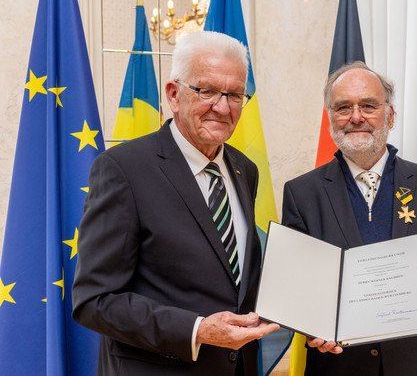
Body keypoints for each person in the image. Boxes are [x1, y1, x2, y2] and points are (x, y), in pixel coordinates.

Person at [72, 31, 279, 376]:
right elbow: (95, 301)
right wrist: (196, 330)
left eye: (235, 94)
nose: (223, 107)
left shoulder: (246, 170)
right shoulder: (123, 169)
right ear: (173, 94)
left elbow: (236, 283)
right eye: (207, 91)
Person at [281, 61, 417, 375]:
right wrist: (309, 327)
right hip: (338, 367)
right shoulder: (302, 194)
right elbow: (294, 289)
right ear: (331, 118)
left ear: (390, 115)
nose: (356, 117)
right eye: (343, 107)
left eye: (368, 105)